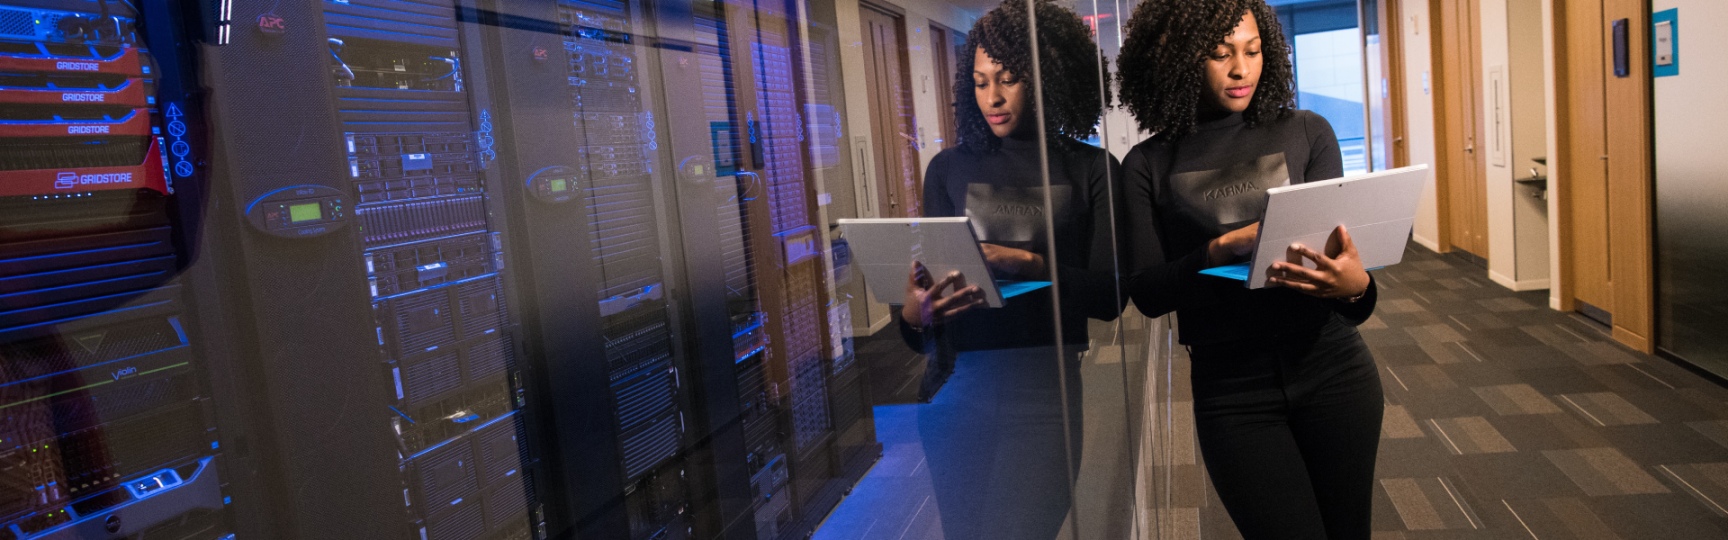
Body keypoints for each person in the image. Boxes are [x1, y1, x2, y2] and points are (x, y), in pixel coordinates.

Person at [1116, 1, 1383, 539]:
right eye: (1220, 54)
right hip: (1232, 391)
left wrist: (1359, 289)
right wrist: (1215, 252)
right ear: (1178, 59)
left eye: (1254, 50)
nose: (1242, 69)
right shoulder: (1147, 164)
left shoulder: (1309, 132)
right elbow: (1146, 293)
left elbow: (1344, 276)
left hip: (1335, 370)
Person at [895, 0, 1123, 537]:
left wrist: (1032, 264)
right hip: (953, 391)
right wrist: (913, 313)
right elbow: (920, 325)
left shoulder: (1091, 169)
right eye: (979, 82)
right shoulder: (947, 170)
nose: (992, 97)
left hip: (1045, 395)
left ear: (1047, 78)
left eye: (1008, 79)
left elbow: (1111, 298)